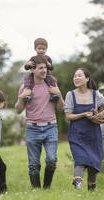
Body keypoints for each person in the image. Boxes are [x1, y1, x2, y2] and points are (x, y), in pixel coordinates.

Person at [15, 55, 64, 189]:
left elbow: (61, 108)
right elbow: (18, 110)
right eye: (41, 68)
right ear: (33, 70)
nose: (44, 71)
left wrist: (58, 94)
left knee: (52, 160)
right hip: (32, 129)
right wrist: (21, 98)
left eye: (45, 68)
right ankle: (37, 191)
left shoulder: (52, 85)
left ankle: (46, 188)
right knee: (33, 164)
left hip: (50, 127)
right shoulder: (25, 87)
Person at [64, 68, 104, 191]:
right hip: (77, 134)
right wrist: (83, 115)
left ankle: (91, 191)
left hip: (93, 134)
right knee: (80, 158)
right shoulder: (70, 95)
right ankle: (77, 182)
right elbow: (68, 116)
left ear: (87, 79)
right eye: (75, 76)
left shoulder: (95, 94)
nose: (76, 78)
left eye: (79, 76)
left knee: (93, 163)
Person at [23, 38, 59, 102]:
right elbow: (26, 68)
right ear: (35, 49)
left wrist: (49, 65)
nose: (41, 50)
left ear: (46, 49)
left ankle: (53, 95)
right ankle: (29, 95)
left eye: (43, 49)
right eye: (39, 49)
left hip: (46, 74)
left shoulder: (48, 58)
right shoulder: (33, 58)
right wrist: (28, 64)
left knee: (52, 81)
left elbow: (52, 68)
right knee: (28, 80)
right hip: (35, 75)